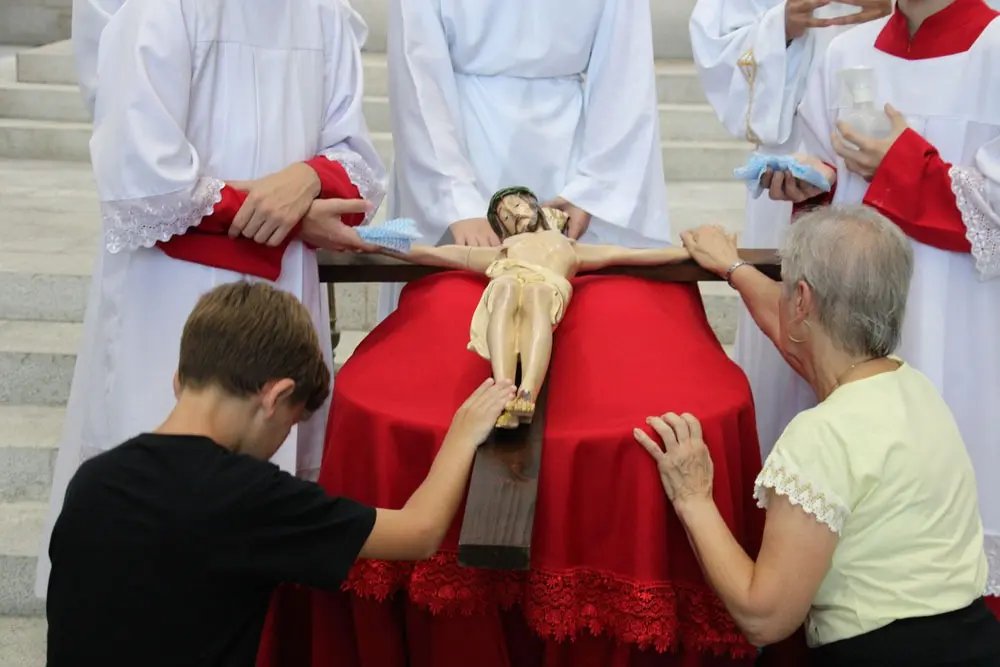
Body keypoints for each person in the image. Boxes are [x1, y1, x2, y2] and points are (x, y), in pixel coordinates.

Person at [36, 0, 386, 597]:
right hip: (169, 295)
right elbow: (143, 181)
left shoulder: (322, 11)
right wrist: (286, 216)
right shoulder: (161, 10)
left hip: (282, 299)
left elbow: (359, 165)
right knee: (159, 508)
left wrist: (305, 179)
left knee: (266, 496)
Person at [45, 281, 515, 667]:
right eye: (290, 425)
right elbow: (420, 532)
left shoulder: (93, 480)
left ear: (179, 379)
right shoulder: (248, 496)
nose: (280, 443)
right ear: (275, 397)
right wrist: (462, 434)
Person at [632, 208, 1000, 666]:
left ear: (802, 299)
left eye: (788, 287)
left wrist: (693, 498)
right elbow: (804, 343)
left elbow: (764, 617)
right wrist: (734, 268)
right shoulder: (914, 387)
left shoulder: (820, 436)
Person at [764, 0, 1000, 602]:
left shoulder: (994, 48)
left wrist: (903, 165)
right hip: (859, 326)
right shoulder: (847, 51)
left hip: (966, 321)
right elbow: (832, 183)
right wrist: (810, 185)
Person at [378, 0, 671, 318]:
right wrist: (455, 202)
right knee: (455, 312)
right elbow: (418, 71)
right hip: (461, 140)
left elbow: (625, 66)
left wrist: (592, 189)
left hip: (572, 150)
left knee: (585, 315)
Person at [689, 0, 892, 454]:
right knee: (795, 326)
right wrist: (779, 26)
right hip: (793, 149)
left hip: (890, 118)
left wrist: (897, 11)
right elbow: (716, 37)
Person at [382, 186, 690, 427]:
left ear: (535, 208)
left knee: (536, 295)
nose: (513, 215)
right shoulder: (505, 249)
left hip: (545, 288)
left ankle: (528, 391)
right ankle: (504, 388)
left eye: (516, 206)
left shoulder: (569, 247)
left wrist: (689, 254)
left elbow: (628, 255)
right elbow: (440, 254)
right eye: (505, 217)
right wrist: (381, 242)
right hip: (509, 280)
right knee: (503, 288)